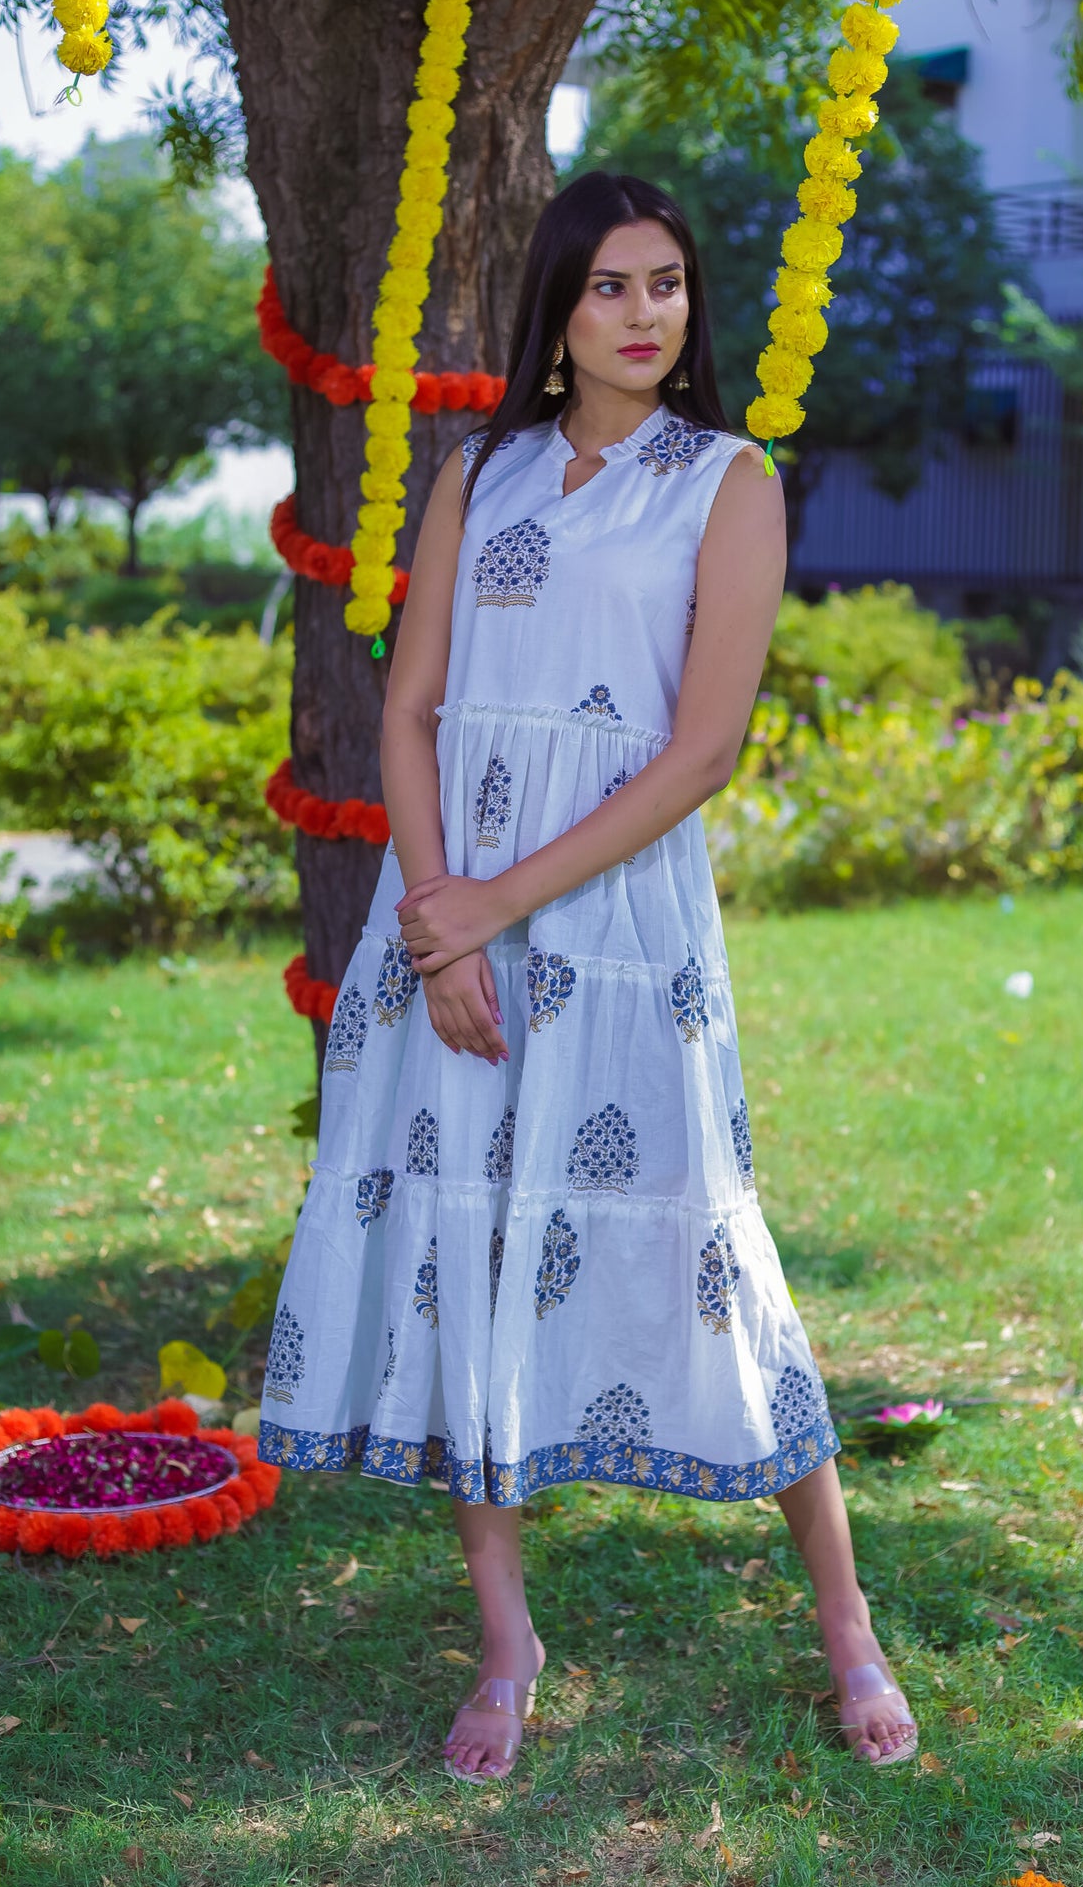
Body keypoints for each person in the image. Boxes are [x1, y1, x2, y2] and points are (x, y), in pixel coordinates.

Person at [258, 170, 917, 1782]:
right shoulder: (478, 475)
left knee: (707, 1249)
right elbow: (409, 710)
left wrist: (491, 908)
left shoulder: (727, 482)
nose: (645, 314)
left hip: (619, 937)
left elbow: (698, 754)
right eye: (612, 285)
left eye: (669, 285)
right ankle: (505, 1643)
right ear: (557, 310)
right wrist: (435, 914)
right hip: (446, 921)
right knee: (466, 1242)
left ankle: (844, 1622)